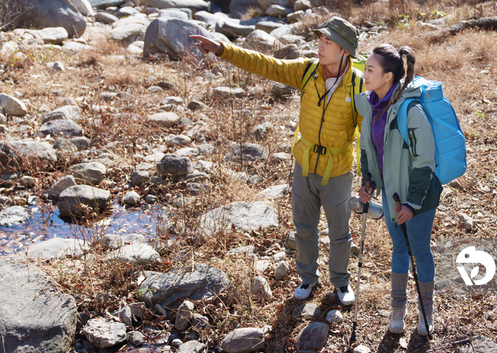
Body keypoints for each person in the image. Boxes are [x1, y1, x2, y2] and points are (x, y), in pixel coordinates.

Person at [190, 17, 363, 305]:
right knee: (304, 229)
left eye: (328, 42)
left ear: (344, 50)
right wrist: (224, 50)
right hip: (304, 164)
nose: (320, 46)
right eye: (320, 40)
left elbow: (368, 132)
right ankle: (308, 278)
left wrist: (370, 175)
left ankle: (341, 283)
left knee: (340, 233)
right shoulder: (307, 71)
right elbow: (266, 64)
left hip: (338, 170)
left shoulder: (358, 86)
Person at [355, 44, 443, 335]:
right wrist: (368, 181)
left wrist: (412, 203)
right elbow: (369, 149)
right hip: (392, 196)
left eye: (370, 70)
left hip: (418, 197)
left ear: (388, 76)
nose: (364, 74)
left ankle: (426, 311)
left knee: (419, 250)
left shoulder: (410, 110)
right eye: (365, 68)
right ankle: (398, 309)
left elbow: (425, 160)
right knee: (398, 250)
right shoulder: (370, 106)